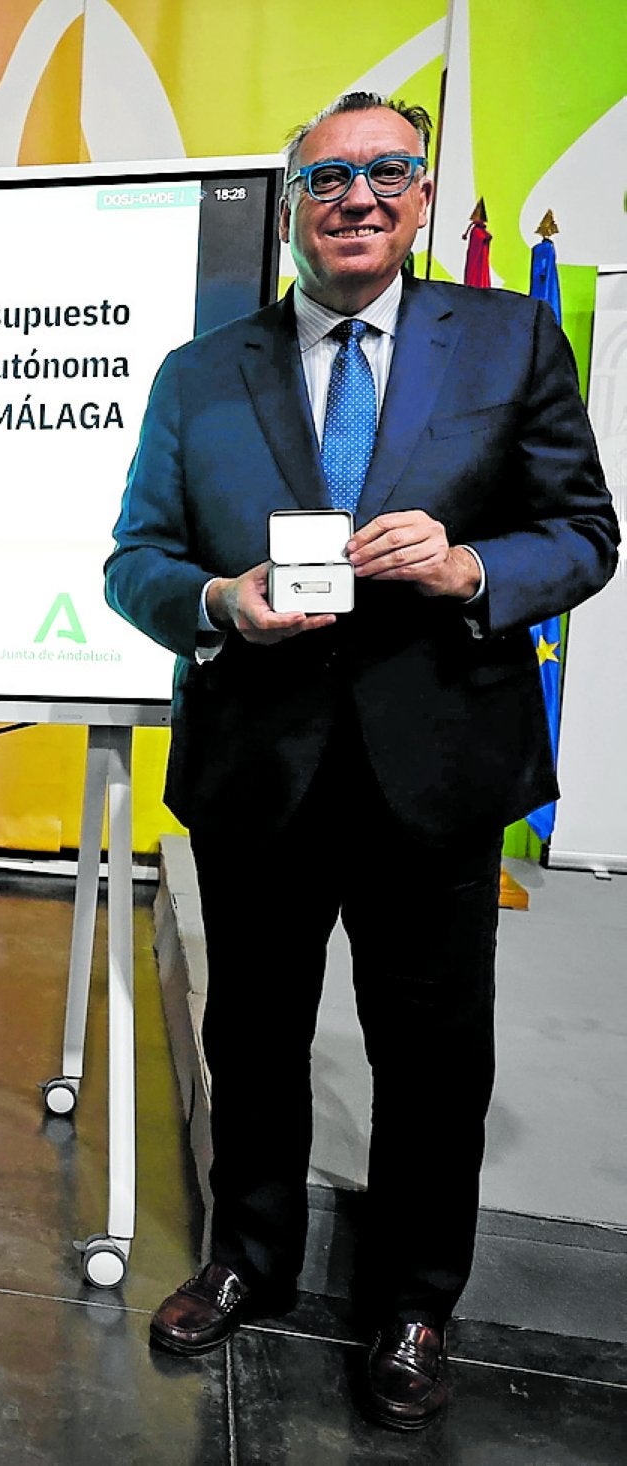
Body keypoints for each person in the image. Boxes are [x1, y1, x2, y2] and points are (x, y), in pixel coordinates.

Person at [105, 93, 618, 1429]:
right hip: (260, 763)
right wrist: (220, 599)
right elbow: (136, 561)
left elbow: (584, 531)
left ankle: (411, 1304)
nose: (359, 196)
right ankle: (249, 1260)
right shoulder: (200, 372)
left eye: (388, 170)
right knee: (255, 1034)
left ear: (422, 193)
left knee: (434, 1054)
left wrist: (470, 567)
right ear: (293, 204)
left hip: (436, 761)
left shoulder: (509, 339)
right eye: (328, 177)